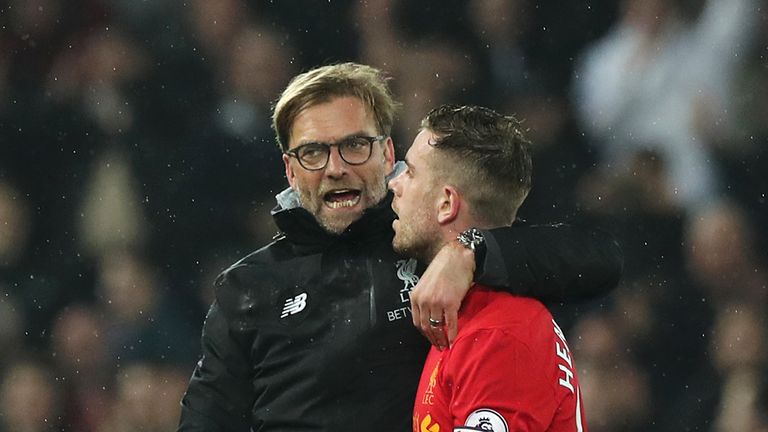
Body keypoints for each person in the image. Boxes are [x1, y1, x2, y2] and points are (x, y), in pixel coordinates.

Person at [178, 63, 620, 431]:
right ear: (290, 171)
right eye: (313, 153)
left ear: (388, 155)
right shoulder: (248, 289)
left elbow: (600, 258)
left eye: (354, 145)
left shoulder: (424, 239)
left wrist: (469, 251)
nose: (335, 168)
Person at [390, 104, 586, 430]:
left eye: (410, 172)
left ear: (446, 204)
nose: (395, 184)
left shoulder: (498, 336)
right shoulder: (473, 316)